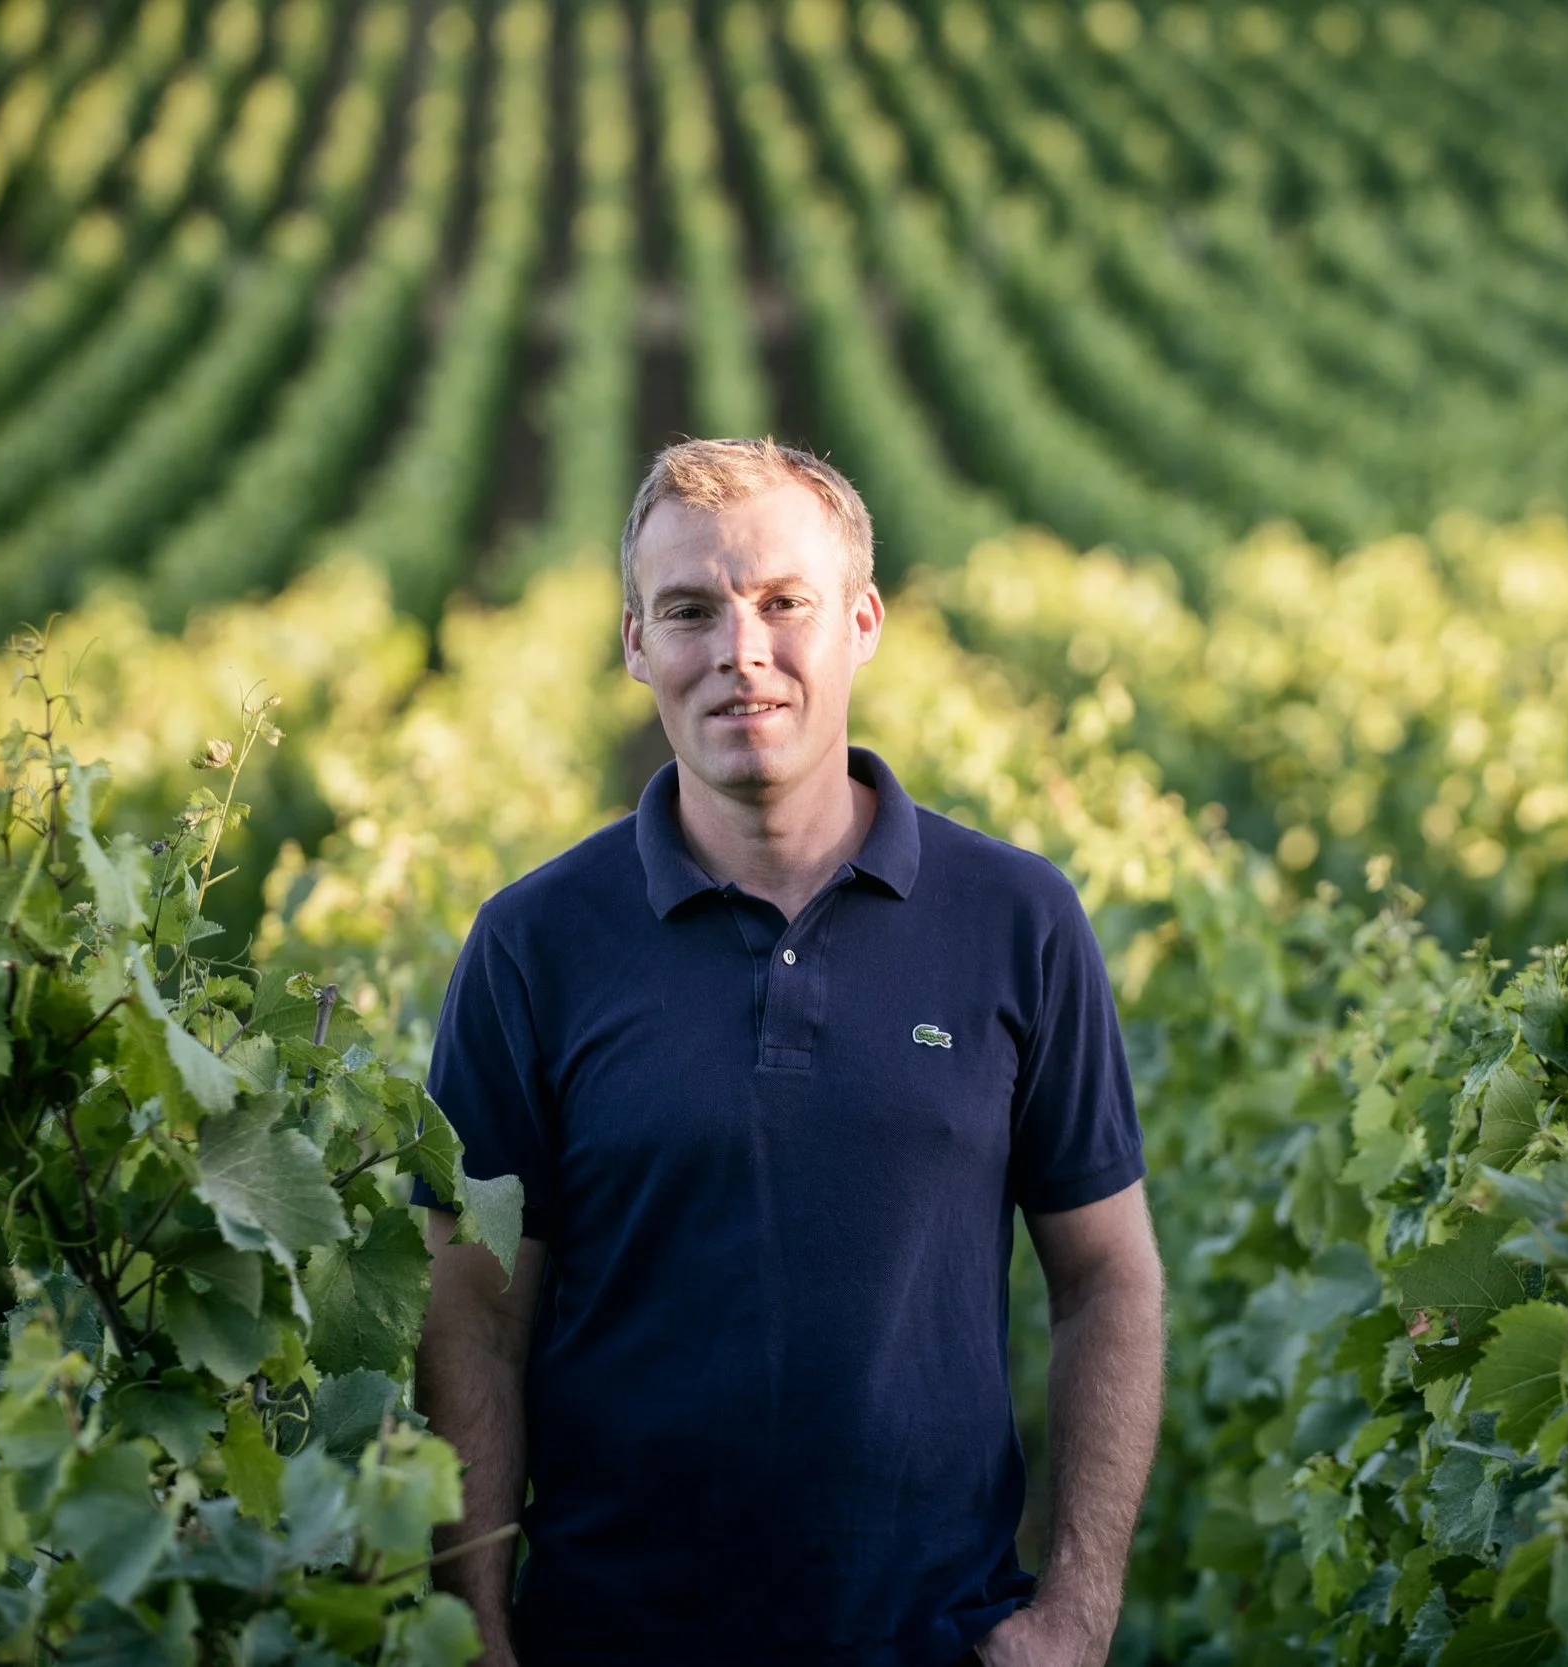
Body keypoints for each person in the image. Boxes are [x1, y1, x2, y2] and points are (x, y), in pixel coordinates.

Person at [412, 438, 1167, 1667]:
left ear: (862, 622)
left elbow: (1107, 1278)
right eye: (691, 610)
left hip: (936, 1643)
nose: (739, 651)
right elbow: (474, 1317)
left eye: (783, 604)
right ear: (635, 644)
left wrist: (1075, 1616)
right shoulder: (531, 943)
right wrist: (476, 1628)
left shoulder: (1016, 918)